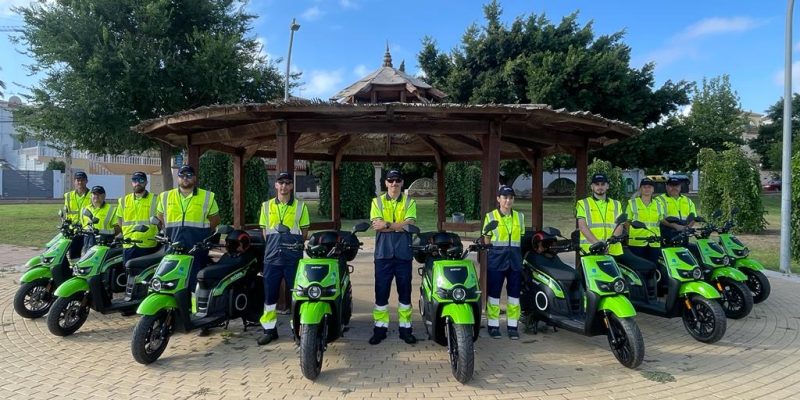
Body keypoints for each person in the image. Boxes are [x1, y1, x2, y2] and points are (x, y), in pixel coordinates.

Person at [257, 172, 310, 346]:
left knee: (297, 296)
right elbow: (266, 233)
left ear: (292, 186)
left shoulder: (301, 207)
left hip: (292, 258)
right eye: (281, 183)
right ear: (276, 185)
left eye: (287, 183)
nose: (284, 186)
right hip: (271, 258)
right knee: (269, 298)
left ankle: (298, 331)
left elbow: (304, 233)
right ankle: (269, 331)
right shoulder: (266, 206)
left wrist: (290, 246)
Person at [369, 169, 417, 345]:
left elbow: (410, 224)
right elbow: (377, 226)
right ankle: (380, 329)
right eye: (390, 180)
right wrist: (399, 226)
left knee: (405, 294)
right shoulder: (377, 202)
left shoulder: (410, 201)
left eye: (397, 180)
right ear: (385, 183)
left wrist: (387, 224)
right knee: (381, 294)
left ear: (402, 182)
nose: (394, 184)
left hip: (404, 255)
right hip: (383, 255)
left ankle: (406, 330)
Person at [576, 173, 654, 279]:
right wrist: (598, 244)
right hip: (590, 250)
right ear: (592, 187)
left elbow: (620, 225)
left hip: (613, 250)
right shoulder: (582, 203)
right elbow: (582, 226)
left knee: (619, 278)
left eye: (603, 184)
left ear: (607, 186)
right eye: (597, 184)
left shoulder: (616, 204)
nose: (600, 187)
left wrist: (608, 244)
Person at [156, 165, 220, 292]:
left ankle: (193, 308)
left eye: (189, 175)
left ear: (194, 178)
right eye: (182, 175)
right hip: (173, 245)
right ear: (178, 178)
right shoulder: (165, 196)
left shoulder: (207, 196)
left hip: (196, 246)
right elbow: (160, 216)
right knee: (171, 277)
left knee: (195, 280)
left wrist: (204, 235)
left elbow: (215, 219)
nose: (185, 178)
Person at [483, 185, 524, 340]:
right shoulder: (490, 216)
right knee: (494, 296)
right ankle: (493, 326)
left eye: (511, 197)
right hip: (496, 261)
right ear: (498, 199)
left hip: (514, 262)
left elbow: (520, 238)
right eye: (505, 197)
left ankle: (512, 326)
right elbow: (486, 238)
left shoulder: (520, 217)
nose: (508, 200)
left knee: (514, 297)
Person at [116, 172, 161, 264]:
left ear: (146, 182)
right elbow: (120, 219)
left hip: (148, 244)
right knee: (128, 272)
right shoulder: (124, 200)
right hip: (129, 244)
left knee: (145, 274)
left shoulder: (155, 199)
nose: (138, 183)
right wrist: (126, 233)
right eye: (135, 180)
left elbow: (161, 219)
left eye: (141, 180)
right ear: (132, 182)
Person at [625, 178, 665, 265]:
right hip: (637, 241)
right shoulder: (632, 203)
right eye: (644, 187)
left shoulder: (658, 204)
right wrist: (629, 236)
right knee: (638, 267)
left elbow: (661, 221)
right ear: (640, 189)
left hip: (654, 242)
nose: (647, 189)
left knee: (653, 266)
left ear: (653, 189)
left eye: (649, 187)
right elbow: (627, 222)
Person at [79, 185, 120, 252]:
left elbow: (118, 228)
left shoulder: (112, 209)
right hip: (87, 242)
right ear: (91, 196)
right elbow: (82, 225)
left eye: (99, 194)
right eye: (94, 194)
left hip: (105, 243)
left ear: (104, 196)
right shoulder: (84, 209)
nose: (96, 196)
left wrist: (105, 233)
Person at [657, 176, 697, 244]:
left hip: (684, 233)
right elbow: (659, 218)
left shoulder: (688, 200)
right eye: (671, 186)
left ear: (680, 187)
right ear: (666, 186)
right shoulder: (659, 200)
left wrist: (687, 227)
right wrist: (675, 226)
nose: (674, 188)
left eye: (676, 186)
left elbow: (694, 217)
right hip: (666, 233)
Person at [64, 171, 90, 259]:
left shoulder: (92, 195)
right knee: (74, 256)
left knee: (88, 255)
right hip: (74, 231)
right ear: (74, 181)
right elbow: (66, 213)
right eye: (78, 180)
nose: (80, 182)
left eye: (82, 180)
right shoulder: (68, 196)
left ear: (86, 181)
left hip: (88, 231)